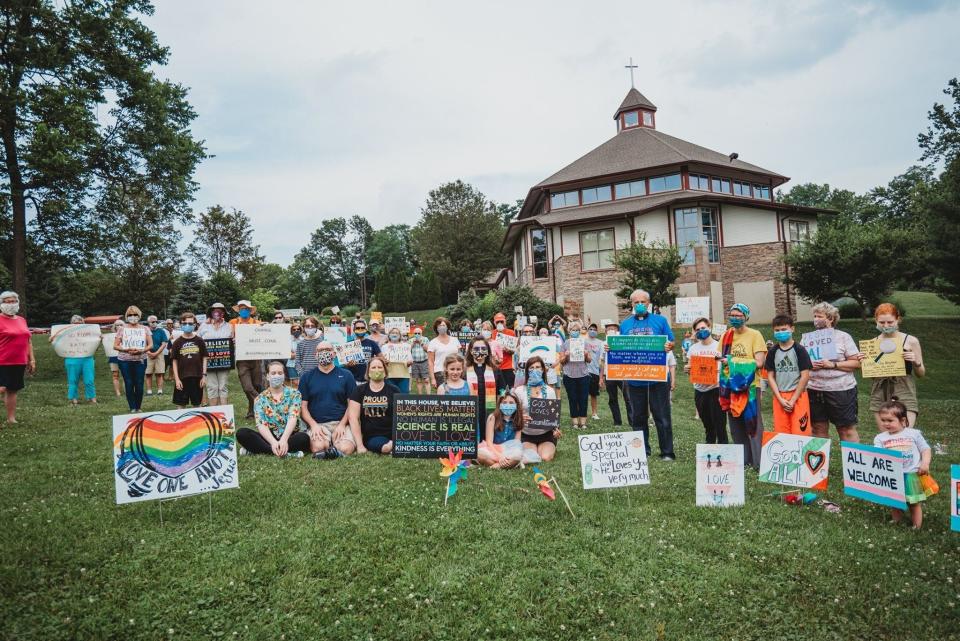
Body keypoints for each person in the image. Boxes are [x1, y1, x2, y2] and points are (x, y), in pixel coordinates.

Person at [618, 289, 676, 461]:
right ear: (632, 304)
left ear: (649, 303)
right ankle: (641, 450)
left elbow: (671, 341)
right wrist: (610, 348)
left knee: (662, 416)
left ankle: (667, 452)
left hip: (657, 378)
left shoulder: (660, 321)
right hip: (635, 380)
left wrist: (669, 346)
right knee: (638, 417)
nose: (640, 305)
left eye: (643, 302)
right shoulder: (625, 324)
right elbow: (621, 347)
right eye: (636, 302)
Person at [719, 303, 766, 469]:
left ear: (746, 317)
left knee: (753, 424)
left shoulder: (755, 335)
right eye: (732, 315)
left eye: (739, 315)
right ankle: (743, 460)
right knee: (736, 426)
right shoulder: (726, 336)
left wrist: (732, 361)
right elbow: (720, 359)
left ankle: (758, 462)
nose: (735, 318)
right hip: (730, 386)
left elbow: (760, 363)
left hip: (751, 386)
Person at [863, 303, 925, 430]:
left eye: (890, 322)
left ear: (898, 319)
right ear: (876, 321)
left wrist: (916, 362)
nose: (886, 326)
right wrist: (866, 363)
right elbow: (873, 377)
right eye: (882, 322)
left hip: (904, 387)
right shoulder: (872, 344)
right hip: (880, 389)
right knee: (886, 436)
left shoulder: (910, 340)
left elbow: (921, 373)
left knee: (905, 432)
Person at [807, 302, 862, 443]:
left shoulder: (843, 337)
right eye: (814, 316)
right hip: (814, 389)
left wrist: (833, 364)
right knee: (818, 427)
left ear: (830, 319)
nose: (816, 319)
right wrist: (808, 365)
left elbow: (856, 363)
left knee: (845, 428)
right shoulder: (808, 339)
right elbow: (802, 363)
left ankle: (852, 464)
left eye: (819, 316)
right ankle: (819, 464)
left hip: (841, 389)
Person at [873, 398, 932, 529]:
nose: (886, 424)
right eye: (883, 420)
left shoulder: (913, 434)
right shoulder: (880, 438)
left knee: (914, 502)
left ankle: (916, 526)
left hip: (912, 474)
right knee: (894, 500)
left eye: (890, 420)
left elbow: (925, 449)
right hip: (893, 475)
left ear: (903, 420)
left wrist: (925, 463)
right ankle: (896, 521)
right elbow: (877, 454)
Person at [236, 361, 312, 457]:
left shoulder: (295, 394)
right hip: (268, 437)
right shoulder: (260, 399)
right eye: (273, 373)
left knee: (304, 438)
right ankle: (286, 453)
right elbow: (261, 424)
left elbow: (293, 418)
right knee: (242, 433)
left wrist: (284, 440)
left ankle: (259, 450)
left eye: (280, 373)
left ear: (284, 376)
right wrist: (273, 443)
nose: (277, 376)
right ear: (267, 376)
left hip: (289, 436)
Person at [298, 341, 357, 459]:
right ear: (315, 355)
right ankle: (330, 449)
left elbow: (351, 404)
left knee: (346, 448)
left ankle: (333, 449)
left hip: (340, 423)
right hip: (318, 424)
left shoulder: (346, 375)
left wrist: (342, 425)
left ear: (334, 354)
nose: (324, 352)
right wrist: (313, 425)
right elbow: (302, 407)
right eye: (320, 350)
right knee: (318, 447)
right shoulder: (306, 377)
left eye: (328, 349)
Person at [764, 314, 813, 435]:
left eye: (784, 329)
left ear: (792, 329)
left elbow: (805, 376)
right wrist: (779, 398)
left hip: (798, 396)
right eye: (777, 330)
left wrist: (793, 400)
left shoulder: (799, 350)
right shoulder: (772, 352)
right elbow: (770, 376)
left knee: (801, 432)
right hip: (780, 396)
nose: (780, 332)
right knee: (782, 433)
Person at [684, 317, 726, 444]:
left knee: (720, 425)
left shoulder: (719, 346)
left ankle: (725, 452)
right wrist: (687, 369)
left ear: (709, 327)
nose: (701, 331)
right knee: (708, 425)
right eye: (697, 329)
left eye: (703, 328)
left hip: (716, 389)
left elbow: (726, 367)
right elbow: (690, 368)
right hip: (700, 391)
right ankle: (710, 450)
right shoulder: (693, 349)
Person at [348, 355, 400, 454]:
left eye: (380, 367)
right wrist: (360, 446)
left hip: (393, 434)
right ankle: (394, 446)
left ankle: (396, 444)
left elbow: (401, 415)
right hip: (372, 436)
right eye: (373, 367)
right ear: (368, 371)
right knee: (385, 448)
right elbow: (353, 418)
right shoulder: (359, 390)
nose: (377, 370)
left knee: (388, 446)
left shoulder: (394, 390)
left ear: (385, 371)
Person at [517, 356, 561, 462]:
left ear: (542, 370)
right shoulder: (519, 391)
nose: (534, 370)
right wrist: (520, 417)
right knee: (531, 458)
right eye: (531, 368)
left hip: (546, 434)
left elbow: (553, 415)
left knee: (545, 457)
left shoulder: (550, 391)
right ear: (527, 371)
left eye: (537, 367)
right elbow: (513, 415)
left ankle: (547, 446)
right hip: (527, 434)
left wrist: (556, 430)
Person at [0, 291, 35, 423]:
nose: (11, 304)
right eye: (7, 302)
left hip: (19, 361)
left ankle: (11, 418)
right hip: (2, 360)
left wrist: (31, 359)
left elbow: (28, 341)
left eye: (14, 301)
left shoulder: (21, 320)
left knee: (13, 389)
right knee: (2, 387)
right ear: (1, 304)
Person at [465, 336, 505, 440]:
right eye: (476, 349)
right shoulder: (464, 371)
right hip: (470, 410)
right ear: (470, 350)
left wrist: (499, 408)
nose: (480, 351)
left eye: (483, 349)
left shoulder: (495, 370)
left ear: (488, 351)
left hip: (491, 410)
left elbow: (502, 391)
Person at [114, 305, 152, 413]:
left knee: (139, 383)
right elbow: (115, 345)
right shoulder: (122, 329)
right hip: (124, 360)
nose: (133, 317)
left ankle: (138, 407)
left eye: (135, 314)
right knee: (129, 383)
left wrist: (142, 350)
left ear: (139, 315)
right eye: (130, 315)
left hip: (140, 359)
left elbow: (151, 344)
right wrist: (126, 349)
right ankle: (132, 407)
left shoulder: (145, 329)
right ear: (127, 316)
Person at [230, 300, 263, 419]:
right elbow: (228, 336)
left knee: (257, 385)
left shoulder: (258, 323)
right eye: (241, 309)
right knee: (247, 387)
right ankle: (263, 404)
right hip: (242, 359)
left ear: (250, 311)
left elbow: (265, 336)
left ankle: (251, 412)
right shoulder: (233, 322)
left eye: (246, 309)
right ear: (239, 310)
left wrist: (266, 328)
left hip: (256, 358)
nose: (243, 311)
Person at [558, 320, 592, 429]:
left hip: (583, 375)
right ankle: (575, 422)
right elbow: (562, 361)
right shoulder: (565, 344)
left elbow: (589, 360)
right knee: (572, 398)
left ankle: (583, 422)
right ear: (569, 331)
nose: (575, 332)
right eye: (573, 330)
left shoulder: (585, 342)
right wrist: (566, 356)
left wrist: (586, 354)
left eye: (577, 330)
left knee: (583, 399)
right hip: (569, 375)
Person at [197, 302, 233, 407]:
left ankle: (224, 412)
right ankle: (214, 412)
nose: (217, 312)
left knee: (223, 386)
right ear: (211, 312)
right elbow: (197, 340)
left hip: (224, 361)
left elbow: (233, 341)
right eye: (215, 310)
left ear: (224, 313)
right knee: (212, 387)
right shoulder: (204, 326)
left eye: (220, 310)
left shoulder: (229, 326)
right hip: (208, 362)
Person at [56, 315, 96, 405]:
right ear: (71, 324)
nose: (77, 325)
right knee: (72, 380)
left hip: (87, 358)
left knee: (89, 380)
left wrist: (99, 339)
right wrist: (53, 339)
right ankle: (73, 399)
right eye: (75, 323)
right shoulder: (66, 333)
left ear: (83, 324)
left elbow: (94, 345)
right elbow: (58, 341)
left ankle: (91, 398)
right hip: (72, 358)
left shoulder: (89, 333)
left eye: (80, 323)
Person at [477, 391, 524, 469]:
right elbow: (489, 442)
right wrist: (499, 456)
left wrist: (509, 455)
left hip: (510, 450)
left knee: (517, 456)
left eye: (511, 403)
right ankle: (506, 465)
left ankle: (496, 466)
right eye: (504, 402)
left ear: (516, 405)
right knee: (479, 454)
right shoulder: (493, 417)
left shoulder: (518, 419)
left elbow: (517, 443)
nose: (507, 405)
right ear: (500, 405)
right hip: (493, 449)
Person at [171, 312, 207, 409]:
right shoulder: (177, 342)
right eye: (185, 323)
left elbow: (204, 358)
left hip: (197, 377)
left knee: (197, 404)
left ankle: (198, 423)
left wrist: (204, 376)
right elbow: (174, 361)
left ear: (195, 325)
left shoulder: (199, 340)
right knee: (181, 404)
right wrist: (177, 379)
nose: (188, 325)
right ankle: (180, 424)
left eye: (190, 323)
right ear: (181, 324)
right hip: (182, 378)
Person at [599, 321, 626, 427]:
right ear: (606, 331)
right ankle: (617, 421)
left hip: (622, 374)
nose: (611, 330)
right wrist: (601, 377)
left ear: (617, 331)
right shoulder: (603, 344)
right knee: (612, 398)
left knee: (627, 397)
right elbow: (602, 361)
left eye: (613, 328)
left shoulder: (622, 341)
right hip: (609, 374)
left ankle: (632, 420)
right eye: (608, 328)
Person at [427, 317, 461, 387]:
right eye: (439, 326)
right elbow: (430, 361)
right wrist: (433, 378)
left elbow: (460, 357)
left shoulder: (455, 340)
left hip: (455, 371)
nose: (441, 327)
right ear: (436, 328)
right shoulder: (433, 342)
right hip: (440, 373)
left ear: (447, 327)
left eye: (443, 325)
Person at [346, 319, 381, 384]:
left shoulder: (372, 343)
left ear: (366, 329)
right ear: (354, 330)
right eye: (358, 328)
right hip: (353, 380)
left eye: (362, 328)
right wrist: (348, 364)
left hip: (369, 379)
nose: (360, 329)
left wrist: (374, 360)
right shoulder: (349, 344)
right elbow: (344, 362)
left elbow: (381, 358)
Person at [490, 312, 517, 388]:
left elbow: (514, 351)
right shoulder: (491, 333)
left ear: (505, 321)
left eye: (501, 321)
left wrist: (508, 350)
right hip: (495, 366)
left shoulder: (511, 333)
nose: (500, 323)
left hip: (507, 367)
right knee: (497, 389)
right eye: (497, 322)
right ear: (494, 323)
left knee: (509, 388)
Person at [144, 315, 168, 397]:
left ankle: (160, 390)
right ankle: (149, 391)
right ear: (148, 323)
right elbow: (142, 343)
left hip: (159, 354)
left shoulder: (161, 331)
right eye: (152, 322)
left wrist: (156, 353)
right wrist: (149, 352)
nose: (155, 323)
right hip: (147, 354)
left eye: (156, 322)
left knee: (159, 373)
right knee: (148, 373)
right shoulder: (145, 331)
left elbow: (164, 343)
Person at [382, 327, 412, 393]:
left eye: (396, 333)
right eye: (392, 333)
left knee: (403, 397)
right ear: (389, 335)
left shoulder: (406, 346)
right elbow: (383, 362)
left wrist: (409, 363)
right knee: (390, 396)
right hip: (389, 375)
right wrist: (384, 362)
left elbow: (409, 361)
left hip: (403, 375)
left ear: (400, 335)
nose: (394, 334)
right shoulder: (384, 347)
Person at [585, 323, 604, 420]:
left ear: (597, 331)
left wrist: (601, 377)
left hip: (595, 371)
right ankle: (582, 413)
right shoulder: (583, 341)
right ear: (587, 330)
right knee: (582, 394)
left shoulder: (600, 343)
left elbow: (602, 361)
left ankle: (594, 413)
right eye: (590, 329)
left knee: (593, 394)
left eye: (594, 329)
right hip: (583, 371)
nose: (592, 331)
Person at [409, 326, 432, 393]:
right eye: (415, 333)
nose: (417, 335)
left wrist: (421, 343)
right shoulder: (410, 340)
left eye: (419, 333)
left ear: (421, 333)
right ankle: (420, 396)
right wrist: (413, 343)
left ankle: (429, 396)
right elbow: (407, 350)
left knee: (426, 380)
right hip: (415, 362)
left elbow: (428, 349)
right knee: (418, 380)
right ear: (413, 334)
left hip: (424, 361)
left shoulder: (425, 339)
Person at [107, 319, 124, 397]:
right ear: (115, 326)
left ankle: (128, 391)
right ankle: (118, 393)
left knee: (126, 375)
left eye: (121, 324)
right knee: (115, 374)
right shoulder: (109, 336)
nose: (119, 326)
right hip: (113, 357)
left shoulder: (128, 334)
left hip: (125, 357)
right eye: (117, 325)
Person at [287, 322, 303, 386]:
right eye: (294, 329)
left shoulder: (303, 340)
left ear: (300, 330)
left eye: (298, 329)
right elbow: (290, 355)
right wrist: (299, 354)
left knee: (303, 379)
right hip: (291, 364)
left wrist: (294, 353)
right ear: (291, 331)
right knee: (295, 382)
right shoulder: (288, 340)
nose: (296, 331)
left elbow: (305, 353)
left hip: (302, 364)